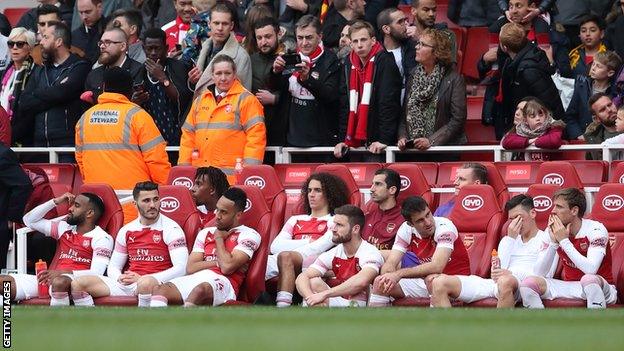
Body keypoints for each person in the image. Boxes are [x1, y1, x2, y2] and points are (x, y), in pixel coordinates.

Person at [75, 67, 171, 224]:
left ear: (104, 87)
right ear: (130, 89)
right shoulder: (138, 116)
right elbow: (157, 160)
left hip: (98, 203)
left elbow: (81, 161)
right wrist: (162, 193)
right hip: (133, 204)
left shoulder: (85, 118)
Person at [70, 181, 188, 307]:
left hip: (156, 283)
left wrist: (144, 278)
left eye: (156, 199)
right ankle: (90, 322)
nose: (153, 205)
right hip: (128, 283)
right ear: (135, 203)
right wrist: (119, 278)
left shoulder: (172, 229)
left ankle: (146, 322)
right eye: (146, 201)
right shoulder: (126, 230)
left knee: (146, 283)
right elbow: (113, 267)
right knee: (78, 284)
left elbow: (182, 268)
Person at [430, 194, 556, 308]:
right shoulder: (508, 239)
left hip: (522, 285)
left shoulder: (546, 238)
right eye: (511, 219)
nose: (515, 223)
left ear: (533, 213)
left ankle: (499, 332)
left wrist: (511, 272)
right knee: (440, 282)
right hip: (497, 284)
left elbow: (545, 275)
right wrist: (510, 239)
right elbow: (498, 271)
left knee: (505, 281)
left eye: (519, 217)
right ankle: (450, 332)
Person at [149, 187, 260, 307]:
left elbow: (227, 268)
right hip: (198, 277)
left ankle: (182, 323)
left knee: (199, 291)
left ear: (238, 215)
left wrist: (218, 239)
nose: (217, 215)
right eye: (217, 209)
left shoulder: (249, 234)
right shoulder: (206, 232)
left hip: (225, 282)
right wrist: (218, 262)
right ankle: (155, 325)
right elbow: (191, 267)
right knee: (159, 290)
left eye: (224, 212)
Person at [0, 192, 113, 305]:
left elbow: (96, 273)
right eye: (72, 204)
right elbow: (29, 220)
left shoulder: (102, 238)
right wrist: (55, 202)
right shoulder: (64, 228)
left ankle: (58, 320)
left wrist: (61, 273)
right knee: (3, 281)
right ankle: (7, 318)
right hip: (51, 279)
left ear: (89, 213)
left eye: (77, 206)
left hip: (74, 283)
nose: (70, 208)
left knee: (60, 282)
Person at [519, 188, 618, 309]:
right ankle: (541, 325)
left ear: (574, 210)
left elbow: (591, 269)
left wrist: (564, 241)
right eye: (554, 206)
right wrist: (554, 243)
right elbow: (540, 273)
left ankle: (597, 324)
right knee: (528, 284)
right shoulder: (551, 230)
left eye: (559, 207)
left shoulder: (596, 229)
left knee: (588, 279)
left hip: (602, 287)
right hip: (570, 286)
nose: (553, 211)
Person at [368, 196, 470, 306]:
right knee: (381, 283)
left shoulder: (445, 227)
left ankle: (438, 322)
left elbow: (437, 266)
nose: (428, 222)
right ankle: (377, 323)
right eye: (420, 220)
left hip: (455, 282)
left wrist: (398, 274)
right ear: (411, 224)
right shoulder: (406, 229)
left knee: (433, 280)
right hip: (426, 282)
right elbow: (391, 263)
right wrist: (388, 277)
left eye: (428, 214)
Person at [179, 54, 265, 185]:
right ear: (212, 76)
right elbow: (188, 137)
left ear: (234, 74)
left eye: (227, 73)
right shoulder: (200, 101)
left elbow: (256, 140)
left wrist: (249, 175)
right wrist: (184, 172)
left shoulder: (247, 100)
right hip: (201, 179)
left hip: (232, 180)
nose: (223, 78)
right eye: (218, 73)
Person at [269, 173, 350, 307]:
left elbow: (320, 247)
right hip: (285, 261)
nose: (311, 194)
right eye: (309, 190)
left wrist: (289, 249)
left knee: (285, 256)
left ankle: (282, 307)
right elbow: (275, 246)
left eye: (318, 190)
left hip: (315, 263)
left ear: (329, 194)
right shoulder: (294, 219)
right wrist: (307, 241)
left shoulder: (335, 220)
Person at [19, 21, 90, 162]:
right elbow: (24, 102)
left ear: (58, 42)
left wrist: (38, 93)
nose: (41, 42)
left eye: (46, 37)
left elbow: (62, 93)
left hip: (67, 145)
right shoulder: (40, 70)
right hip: (39, 145)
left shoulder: (80, 66)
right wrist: (56, 93)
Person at [334, 20, 402, 161]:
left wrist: (384, 139)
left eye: (363, 40)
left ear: (373, 40)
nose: (359, 45)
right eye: (355, 41)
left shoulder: (385, 61)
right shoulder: (348, 63)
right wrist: (342, 138)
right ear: (351, 44)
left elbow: (388, 103)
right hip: (353, 140)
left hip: (377, 141)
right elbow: (345, 105)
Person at [272, 15, 341, 150]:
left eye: (309, 37)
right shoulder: (289, 57)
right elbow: (278, 88)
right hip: (292, 137)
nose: (304, 43)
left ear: (320, 36)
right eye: (300, 38)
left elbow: (330, 96)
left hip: (321, 138)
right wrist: (275, 72)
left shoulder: (331, 60)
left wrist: (307, 79)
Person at [397, 28, 467, 159]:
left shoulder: (454, 79)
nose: (417, 47)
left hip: (443, 152)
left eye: (423, 44)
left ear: (436, 53)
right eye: (418, 43)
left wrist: (431, 141)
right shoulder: (413, 76)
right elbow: (404, 115)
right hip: (413, 150)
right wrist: (403, 137)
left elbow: (458, 119)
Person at [295, 204, 384, 307]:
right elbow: (302, 277)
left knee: (319, 295)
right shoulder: (335, 252)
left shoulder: (370, 252)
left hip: (362, 306)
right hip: (342, 302)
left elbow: (361, 282)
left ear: (355, 229)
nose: (333, 229)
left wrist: (323, 295)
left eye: (339, 225)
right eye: (334, 224)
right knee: (313, 282)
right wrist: (310, 297)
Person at [497, 22, 564, 138]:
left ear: (504, 47)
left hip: (538, 131)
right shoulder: (518, 60)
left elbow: (549, 102)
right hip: (527, 127)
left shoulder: (529, 70)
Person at [133, 28, 193, 150]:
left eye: (157, 48)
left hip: (177, 138)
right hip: (148, 140)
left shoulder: (179, 68)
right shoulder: (138, 73)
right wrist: (135, 102)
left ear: (166, 48)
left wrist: (162, 78)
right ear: (144, 49)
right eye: (149, 49)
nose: (153, 53)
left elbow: (182, 99)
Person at [192, 3, 252, 95]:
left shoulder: (241, 57)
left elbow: (243, 97)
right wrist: (193, 81)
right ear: (209, 24)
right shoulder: (204, 47)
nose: (220, 28)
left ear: (231, 26)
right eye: (216, 23)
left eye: (225, 24)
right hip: (200, 106)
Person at [564, 51, 622, 140]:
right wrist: (579, 135)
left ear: (610, 73)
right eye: (593, 64)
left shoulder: (617, 92)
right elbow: (570, 115)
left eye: (598, 66)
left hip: (611, 138)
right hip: (585, 139)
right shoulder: (581, 86)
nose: (593, 68)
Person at [83, 27, 145, 104]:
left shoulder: (138, 70)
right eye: (101, 43)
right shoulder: (94, 75)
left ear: (123, 46)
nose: (102, 46)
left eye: (107, 42)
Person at [250, 17, 283, 147]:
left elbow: (294, 92)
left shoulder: (287, 59)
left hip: (280, 126)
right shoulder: (250, 61)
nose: (263, 42)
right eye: (259, 38)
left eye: (268, 37)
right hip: (255, 124)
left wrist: (275, 99)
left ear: (278, 34)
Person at [0, 28, 36, 146]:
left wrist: (11, 134)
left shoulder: (36, 72)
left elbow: (29, 112)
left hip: (23, 139)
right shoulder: (4, 73)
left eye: (20, 44)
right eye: (11, 44)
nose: (14, 47)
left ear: (30, 47)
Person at [0, 143, 32, 269]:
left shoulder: (3, 154)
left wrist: (11, 217)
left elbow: (23, 185)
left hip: (1, 221)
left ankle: (6, 289)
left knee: (3, 279)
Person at [377, 7, 415, 101]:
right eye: (400, 22)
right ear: (386, 29)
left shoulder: (413, 48)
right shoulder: (376, 54)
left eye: (406, 20)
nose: (406, 24)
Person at [362, 168, 404, 251]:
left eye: (378, 184)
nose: (372, 189)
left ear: (392, 190)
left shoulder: (404, 220)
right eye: (372, 184)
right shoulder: (367, 216)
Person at [585, 93, 623, 160]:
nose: (609, 110)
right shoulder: (592, 139)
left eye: (610, 105)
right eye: (602, 109)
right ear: (596, 119)